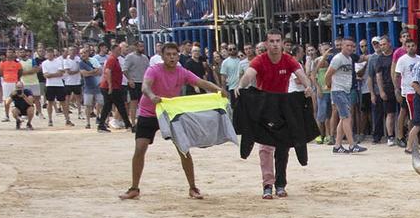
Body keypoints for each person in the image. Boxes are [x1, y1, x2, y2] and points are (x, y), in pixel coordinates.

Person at [119, 42, 224, 201]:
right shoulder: (153, 69)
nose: (172, 57)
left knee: (183, 149)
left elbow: (201, 83)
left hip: (170, 114)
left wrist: (219, 90)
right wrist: (152, 96)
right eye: (168, 54)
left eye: (174, 54)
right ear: (162, 56)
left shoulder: (182, 72)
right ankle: (134, 188)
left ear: (178, 56)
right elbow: (145, 87)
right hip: (149, 113)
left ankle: (193, 187)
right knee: (140, 149)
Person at [236, 29, 316, 199]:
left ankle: (280, 184)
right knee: (265, 147)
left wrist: (308, 86)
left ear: (281, 43)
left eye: (277, 41)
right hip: (264, 106)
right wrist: (240, 86)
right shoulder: (260, 60)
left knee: (283, 148)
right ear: (266, 44)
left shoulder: (288, 59)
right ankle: (267, 184)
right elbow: (249, 75)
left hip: (283, 107)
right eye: (271, 41)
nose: (274, 44)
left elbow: (301, 75)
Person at [326, 38, 365, 154]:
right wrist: (329, 86)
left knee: (343, 119)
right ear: (342, 46)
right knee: (347, 117)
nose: (350, 48)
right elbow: (328, 74)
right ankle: (352, 145)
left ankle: (338, 146)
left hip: (345, 90)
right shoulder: (338, 59)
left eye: (352, 46)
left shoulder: (348, 59)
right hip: (338, 91)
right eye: (347, 45)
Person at [0, 51, 22, 122]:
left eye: (11, 52)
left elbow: (20, 72)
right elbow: (1, 72)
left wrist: (17, 79)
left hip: (14, 82)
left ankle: (18, 115)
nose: (10, 54)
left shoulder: (17, 64)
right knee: (6, 99)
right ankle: (6, 115)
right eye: (8, 52)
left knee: (17, 99)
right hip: (6, 82)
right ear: (6, 54)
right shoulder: (3, 63)